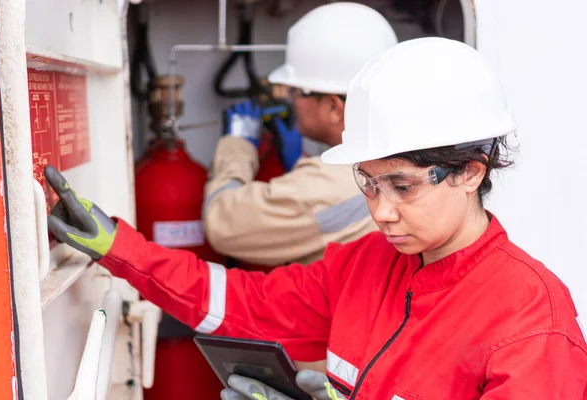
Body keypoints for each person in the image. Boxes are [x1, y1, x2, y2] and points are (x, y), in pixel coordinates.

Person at [46, 37, 587, 400]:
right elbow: (244, 304)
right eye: (368, 183)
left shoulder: (531, 324)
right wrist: (121, 249)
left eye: (402, 187)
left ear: (471, 173)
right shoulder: (364, 265)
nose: (380, 211)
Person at [202, 2, 398, 269]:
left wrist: (237, 145)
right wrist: (299, 162)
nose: (291, 100)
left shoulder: (323, 185)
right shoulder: (409, 157)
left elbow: (222, 223)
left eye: (296, 92)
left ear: (332, 107)